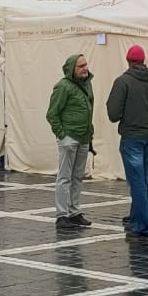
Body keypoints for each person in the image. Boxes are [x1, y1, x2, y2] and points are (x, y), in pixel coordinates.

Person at [106, 45, 148, 238]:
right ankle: (136, 219)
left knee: (138, 181)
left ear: (128, 60)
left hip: (132, 136)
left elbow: (113, 114)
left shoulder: (123, 81)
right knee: (141, 178)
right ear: (144, 61)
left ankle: (142, 226)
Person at [47, 54, 95, 228]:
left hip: (83, 137)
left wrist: (90, 134)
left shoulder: (87, 84)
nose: (85, 68)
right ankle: (62, 214)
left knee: (77, 177)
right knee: (65, 177)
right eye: (80, 66)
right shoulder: (63, 87)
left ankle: (74, 211)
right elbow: (52, 114)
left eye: (85, 65)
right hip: (69, 137)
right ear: (71, 69)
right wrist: (62, 135)